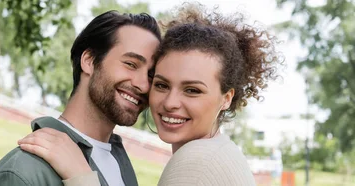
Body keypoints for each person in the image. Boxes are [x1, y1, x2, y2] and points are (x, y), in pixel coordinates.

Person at [18, 3, 282, 186]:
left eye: (192, 90)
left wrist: (81, 176)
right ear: (88, 61)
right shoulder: (218, 151)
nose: (169, 103)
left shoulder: (196, 163)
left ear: (227, 97)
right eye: (161, 84)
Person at [0, 10, 162, 186]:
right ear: (89, 61)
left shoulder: (119, 162)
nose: (144, 85)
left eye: (151, 75)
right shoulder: (25, 172)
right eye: (131, 64)